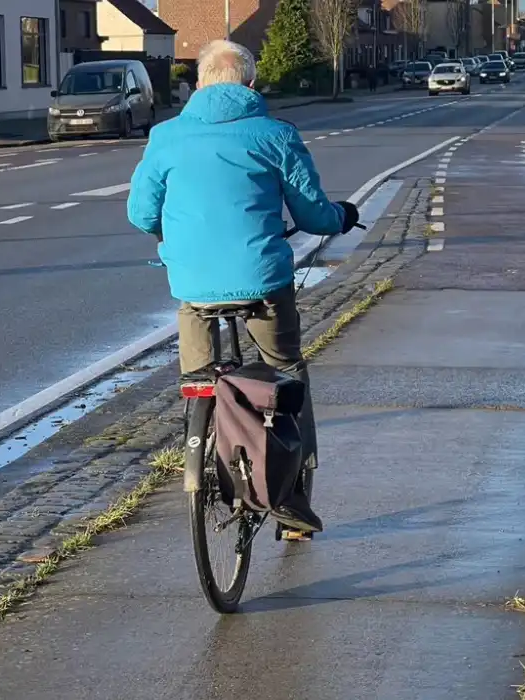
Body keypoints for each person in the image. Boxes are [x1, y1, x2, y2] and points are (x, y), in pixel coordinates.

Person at [126, 39, 358, 540]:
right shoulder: (276, 134)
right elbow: (315, 216)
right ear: (251, 84)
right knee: (286, 371)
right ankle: (293, 499)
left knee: (199, 375)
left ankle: (203, 424)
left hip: (193, 286)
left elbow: (141, 214)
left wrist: (178, 237)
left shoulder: (165, 136)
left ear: (199, 83)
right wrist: (344, 215)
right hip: (261, 281)